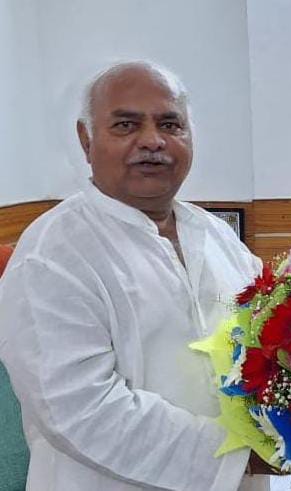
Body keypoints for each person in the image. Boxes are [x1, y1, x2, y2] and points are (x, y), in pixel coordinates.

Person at [0, 61, 267, 490]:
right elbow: (83, 412)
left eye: (170, 124)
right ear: (86, 140)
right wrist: (243, 455)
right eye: (126, 125)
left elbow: (268, 344)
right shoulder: (52, 255)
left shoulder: (217, 236)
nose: (152, 141)